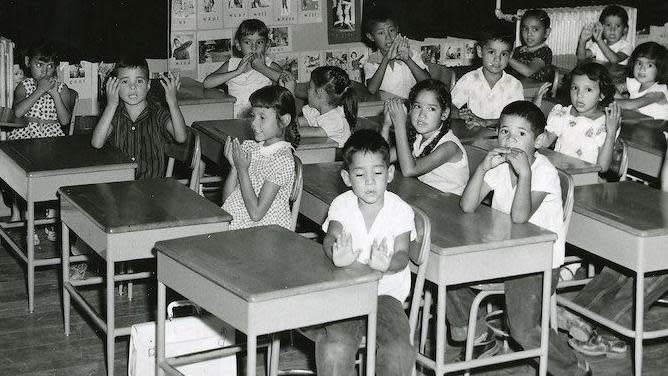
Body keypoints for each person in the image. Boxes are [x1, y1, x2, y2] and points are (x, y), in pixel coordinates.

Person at [450, 100, 591, 376]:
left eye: (521, 134)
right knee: (450, 270)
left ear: (538, 140)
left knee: (523, 329)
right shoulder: (501, 167)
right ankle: (480, 337)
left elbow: (519, 217)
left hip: (536, 263)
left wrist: (524, 173)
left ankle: (573, 368)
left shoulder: (543, 172)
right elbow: (467, 205)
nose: (510, 139)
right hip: (505, 254)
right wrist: (482, 169)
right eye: (504, 131)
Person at [303, 129, 416, 376]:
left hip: (386, 295)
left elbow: (402, 254)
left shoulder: (400, 210)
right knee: (335, 347)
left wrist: (387, 265)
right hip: (347, 293)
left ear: (390, 174)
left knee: (399, 349)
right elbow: (331, 236)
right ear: (346, 177)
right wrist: (335, 252)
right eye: (359, 174)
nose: (369, 181)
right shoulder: (342, 204)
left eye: (377, 173)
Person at [91, 55, 187, 179]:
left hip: (152, 186)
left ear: (148, 86)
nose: (132, 87)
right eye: (125, 81)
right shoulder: (114, 114)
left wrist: (173, 102)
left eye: (139, 81)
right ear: (115, 87)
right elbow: (97, 143)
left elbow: (181, 137)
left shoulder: (157, 113)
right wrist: (111, 105)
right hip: (121, 186)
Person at [221, 85, 300, 230]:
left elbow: (256, 214)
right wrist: (234, 168)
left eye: (262, 117)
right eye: (253, 116)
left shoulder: (282, 160)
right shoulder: (251, 147)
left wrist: (242, 170)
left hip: (266, 231)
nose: (253, 123)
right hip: (241, 224)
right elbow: (228, 202)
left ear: (284, 120)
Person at [381, 79, 469, 194]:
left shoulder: (449, 146)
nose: (422, 115)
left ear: (444, 114)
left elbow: (409, 170)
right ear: (410, 109)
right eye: (417, 106)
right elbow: (381, 158)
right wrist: (386, 125)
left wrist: (399, 126)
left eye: (431, 109)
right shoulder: (418, 138)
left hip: (449, 206)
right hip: (426, 196)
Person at [538, 62, 620, 172]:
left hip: (585, 178)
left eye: (588, 89)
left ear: (602, 95)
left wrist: (611, 133)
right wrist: (534, 113)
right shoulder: (563, 114)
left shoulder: (604, 124)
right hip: (558, 174)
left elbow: (602, 167)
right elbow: (543, 143)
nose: (579, 95)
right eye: (575, 88)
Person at [203, 19, 283, 118]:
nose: (253, 47)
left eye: (259, 42)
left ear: (267, 45)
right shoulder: (232, 64)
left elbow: (287, 82)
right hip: (234, 120)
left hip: (262, 120)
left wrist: (262, 68)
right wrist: (237, 71)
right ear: (238, 45)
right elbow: (207, 83)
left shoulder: (270, 66)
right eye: (247, 42)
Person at [450, 28, 524, 128]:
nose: (497, 59)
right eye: (491, 52)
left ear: (510, 55)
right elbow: (448, 107)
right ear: (480, 52)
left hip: (503, 139)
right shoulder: (470, 79)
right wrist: (459, 114)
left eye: (503, 54)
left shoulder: (514, 85)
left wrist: (486, 122)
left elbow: (516, 118)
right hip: (475, 138)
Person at [362, 6, 430, 98]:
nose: (388, 37)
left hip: (411, 108)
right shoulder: (371, 62)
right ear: (371, 37)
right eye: (381, 33)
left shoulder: (411, 54)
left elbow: (428, 83)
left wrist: (408, 60)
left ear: (397, 30)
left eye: (391, 30)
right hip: (386, 109)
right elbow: (372, 90)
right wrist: (385, 59)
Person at [11, 41, 72, 140]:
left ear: (56, 67)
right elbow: (17, 113)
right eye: (39, 65)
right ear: (27, 62)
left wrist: (56, 94)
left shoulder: (61, 88)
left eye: (50, 66)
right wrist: (39, 90)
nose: (45, 71)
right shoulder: (24, 86)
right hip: (25, 134)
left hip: (52, 136)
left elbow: (65, 121)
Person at [285, 65, 356, 147]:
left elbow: (296, 132)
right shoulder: (317, 113)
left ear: (319, 92)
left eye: (310, 87)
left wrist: (290, 95)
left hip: (335, 158)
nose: (307, 91)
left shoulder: (335, 120)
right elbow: (289, 123)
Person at [615, 42, 668, 120]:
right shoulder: (636, 82)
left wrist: (606, 100)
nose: (642, 69)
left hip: (658, 130)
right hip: (639, 124)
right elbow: (613, 88)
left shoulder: (659, 91)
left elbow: (629, 106)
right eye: (639, 63)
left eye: (650, 65)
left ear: (660, 69)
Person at [508, 9, 554, 82]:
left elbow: (529, 71)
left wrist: (507, 57)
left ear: (547, 32)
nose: (529, 34)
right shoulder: (519, 50)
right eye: (525, 28)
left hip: (535, 91)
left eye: (535, 29)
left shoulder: (544, 52)